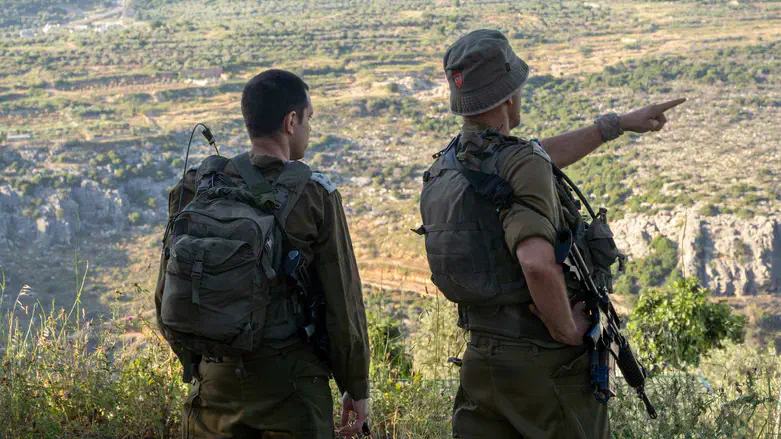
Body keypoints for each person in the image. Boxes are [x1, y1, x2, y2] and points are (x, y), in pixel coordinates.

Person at [417, 29, 685, 438]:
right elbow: (536, 263)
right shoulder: (516, 165)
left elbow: (536, 157)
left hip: (481, 360)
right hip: (543, 365)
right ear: (510, 96)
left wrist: (617, 125)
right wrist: (566, 329)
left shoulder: (447, 168)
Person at [154, 69, 370, 438]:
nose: (310, 129)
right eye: (309, 119)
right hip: (290, 392)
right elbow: (343, 306)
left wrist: (202, 364)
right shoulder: (315, 195)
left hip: (213, 388)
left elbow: (165, 297)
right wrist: (357, 387)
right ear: (291, 122)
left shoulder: (195, 189)